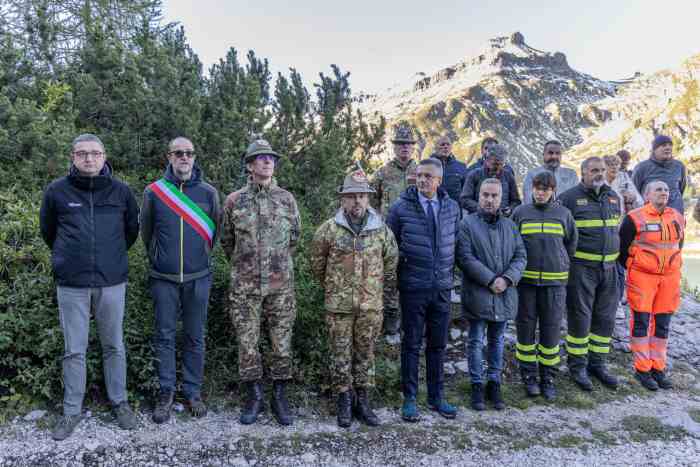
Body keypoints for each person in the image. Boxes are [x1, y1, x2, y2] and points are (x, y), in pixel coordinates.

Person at [40, 134, 139, 440]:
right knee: (74, 350)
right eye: (82, 154)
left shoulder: (121, 191)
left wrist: (109, 259)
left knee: (114, 345)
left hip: (111, 282)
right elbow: (48, 232)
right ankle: (71, 411)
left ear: (104, 156)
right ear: (73, 157)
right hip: (72, 283)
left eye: (95, 153)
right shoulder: (57, 191)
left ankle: (120, 402)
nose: (89, 159)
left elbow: (131, 233)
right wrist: (67, 260)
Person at [140, 137, 221, 423]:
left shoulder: (209, 193)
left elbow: (215, 232)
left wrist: (198, 259)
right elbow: (146, 233)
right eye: (179, 153)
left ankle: (192, 391)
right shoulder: (154, 192)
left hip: (199, 278)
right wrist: (161, 258)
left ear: (194, 157)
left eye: (189, 153)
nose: (184, 158)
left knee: (195, 336)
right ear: (170, 157)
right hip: (163, 278)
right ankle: (165, 392)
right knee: (163, 335)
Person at [221, 138, 301, 426]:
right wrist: (247, 266)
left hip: (281, 288)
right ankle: (253, 396)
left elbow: (294, 239)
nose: (268, 161)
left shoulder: (286, 199)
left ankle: (279, 397)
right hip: (245, 288)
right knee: (248, 344)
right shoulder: (234, 201)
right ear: (249, 165)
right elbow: (227, 241)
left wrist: (277, 266)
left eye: (271, 158)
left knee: (281, 344)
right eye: (261, 158)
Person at [311, 166, 398, 428]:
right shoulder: (329, 230)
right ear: (343, 199)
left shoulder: (380, 229)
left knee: (365, 353)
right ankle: (344, 400)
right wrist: (334, 288)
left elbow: (391, 262)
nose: (358, 200)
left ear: (368, 198)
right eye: (352, 195)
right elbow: (317, 264)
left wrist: (373, 288)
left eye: (362, 195)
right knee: (340, 353)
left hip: (370, 305)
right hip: (339, 306)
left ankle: (363, 399)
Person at [386, 158, 461, 422]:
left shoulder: (452, 207)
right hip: (413, 287)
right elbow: (390, 247)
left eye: (428, 176)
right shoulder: (400, 208)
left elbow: (456, 244)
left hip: (441, 287)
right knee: (411, 344)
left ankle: (437, 396)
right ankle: (409, 398)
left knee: (438, 345)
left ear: (439, 180)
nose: (422, 180)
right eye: (419, 175)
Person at [457, 179, 526, 411]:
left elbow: (520, 256)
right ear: (478, 196)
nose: (489, 199)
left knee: (497, 340)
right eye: (485, 195)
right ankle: (477, 384)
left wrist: (506, 279)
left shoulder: (511, 226)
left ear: (501, 198)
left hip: (504, 293)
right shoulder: (467, 224)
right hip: (479, 293)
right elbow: (465, 258)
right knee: (475, 340)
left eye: (494, 196)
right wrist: (490, 279)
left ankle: (494, 383)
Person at [511, 172, 577, 400]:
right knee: (525, 331)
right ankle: (528, 377)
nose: (540, 192)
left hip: (554, 285)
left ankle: (547, 377)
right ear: (531, 189)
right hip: (526, 285)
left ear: (553, 191)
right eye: (537, 188)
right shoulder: (520, 213)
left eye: (545, 189)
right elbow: (512, 244)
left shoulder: (564, 214)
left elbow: (570, 244)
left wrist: (560, 264)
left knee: (550, 331)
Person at [558, 157, 622, 391]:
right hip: (581, 269)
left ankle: (598, 365)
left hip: (609, 270)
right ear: (582, 172)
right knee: (580, 319)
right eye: (594, 170)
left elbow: (616, 230)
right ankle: (577, 367)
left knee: (605, 319)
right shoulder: (568, 198)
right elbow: (561, 236)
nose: (599, 174)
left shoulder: (613, 197)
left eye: (602, 170)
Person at [619, 181, 684, 391]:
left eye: (666, 189)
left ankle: (658, 368)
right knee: (641, 323)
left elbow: (678, 245)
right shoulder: (634, 218)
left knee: (663, 324)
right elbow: (622, 249)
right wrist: (635, 265)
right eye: (658, 189)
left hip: (670, 278)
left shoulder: (677, 217)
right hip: (642, 277)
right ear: (647, 195)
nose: (663, 193)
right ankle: (642, 370)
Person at [369, 122, 418, 343]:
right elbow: (371, 201)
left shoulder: (421, 171)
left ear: (413, 147)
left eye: (408, 144)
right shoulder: (383, 172)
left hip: (416, 234)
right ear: (394, 147)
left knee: (413, 279)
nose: (405, 147)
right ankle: (390, 326)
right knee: (389, 278)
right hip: (389, 235)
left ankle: (412, 325)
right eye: (400, 144)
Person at [460, 144, 521, 216]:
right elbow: (464, 199)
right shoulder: (474, 175)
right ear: (487, 160)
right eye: (495, 164)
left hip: (502, 220)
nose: (498, 169)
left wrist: (510, 209)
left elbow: (516, 201)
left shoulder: (508, 176)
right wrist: (483, 210)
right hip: (478, 220)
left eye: (501, 164)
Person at [632, 135, 687, 215]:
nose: (668, 148)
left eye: (670, 145)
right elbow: (634, 193)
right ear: (654, 149)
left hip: (675, 215)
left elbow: (681, 188)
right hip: (649, 217)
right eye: (663, 145)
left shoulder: (679, 166)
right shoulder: (642, 167)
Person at [430, 135, 467, 203]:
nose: (445, 147)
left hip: (455, 209)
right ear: (436, 147)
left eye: (448, 144)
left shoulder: (461, 167)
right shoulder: (427, 166)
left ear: (451, 147)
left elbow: (465, 192)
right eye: (442, 144)